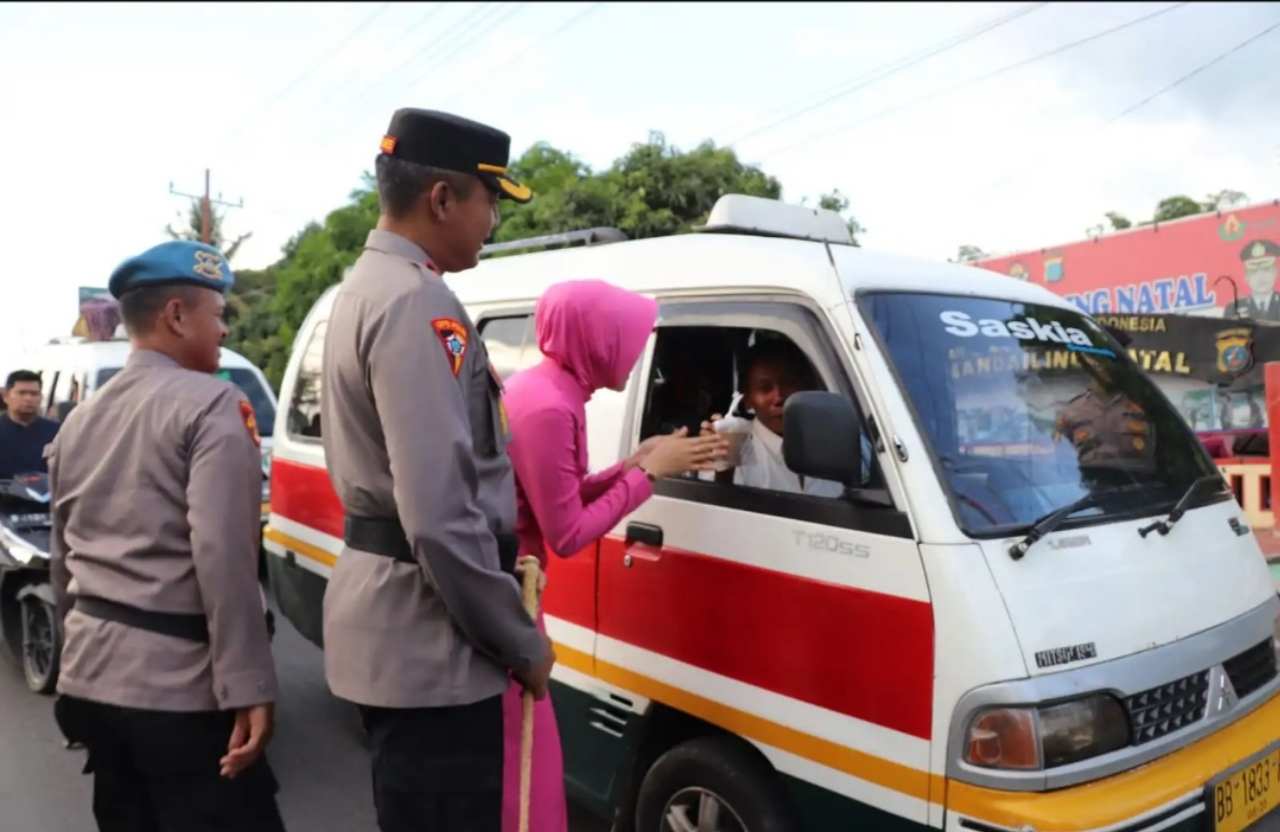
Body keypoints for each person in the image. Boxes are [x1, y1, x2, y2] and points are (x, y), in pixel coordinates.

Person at [320, 108, 552, 832]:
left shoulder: (367, 288)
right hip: (433, 647)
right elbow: (441, 518)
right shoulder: (418, 302)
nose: (493, 222)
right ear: (444, 199)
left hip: (400, 634)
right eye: (490, 202)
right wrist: (519, 640)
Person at [45, 240, 284, 832]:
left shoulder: (79, 419)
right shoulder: (212, 405)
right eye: (218, 314)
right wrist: (248, 685)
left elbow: (62, 562)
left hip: (88, 680)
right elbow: (225, 557)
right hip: (177, 693)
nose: (224, 330)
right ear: (177, 316)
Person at [501, 280, 728, 832]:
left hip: (512, 592)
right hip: (513, 599)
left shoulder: (547, 392)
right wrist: (649, 475)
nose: (634, 356)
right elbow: (568, 533)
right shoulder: (551, 408)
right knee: (526, 764)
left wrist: (634, 461)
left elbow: (557, 493)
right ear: (595, 340)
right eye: (625, 340)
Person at [707, 338, 845, 497]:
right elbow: (716, 508)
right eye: (765, 388)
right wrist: (724, 467)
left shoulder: (834, 439)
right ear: (748, 400)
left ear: (807, 387)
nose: (779, 397)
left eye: (788, 383)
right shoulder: (733, 444)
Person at [0, 369, 60, 479]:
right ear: (6, 396)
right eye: (21, 393)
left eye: (34, 394)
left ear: (41, 397)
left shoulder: (57, 432)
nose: (28, 398)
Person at [1228, 239, 1280, 321]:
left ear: (1276, 273)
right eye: (1254, 272)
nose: (1261, 277)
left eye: (1266, 270)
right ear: (1246, 278)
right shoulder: (1233, 308)